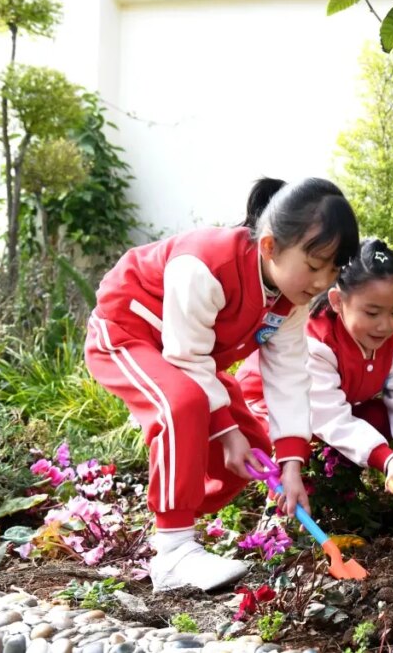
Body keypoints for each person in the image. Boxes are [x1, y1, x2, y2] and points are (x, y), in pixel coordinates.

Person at [84, 177, 359, 591]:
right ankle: (174, 551)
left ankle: (176, 515)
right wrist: (222, 432)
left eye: (333, 270)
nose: (322, 282)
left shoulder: (290, 300)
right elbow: (185, 358)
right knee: (184, 405)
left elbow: (287, 378)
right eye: (315, 265)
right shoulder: (207, 265)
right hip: (128, 332)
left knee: (251, 447)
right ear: (270, 247)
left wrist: (291, 467)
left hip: (190, 362)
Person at [237, 238, 393, 497]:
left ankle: (338, 490)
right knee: (294, 445)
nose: (384, 325)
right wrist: (387, 458)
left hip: (321, 411)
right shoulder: (315, 340)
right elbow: (325, 416)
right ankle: (279, 512)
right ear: (337, 301)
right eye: (372, 313)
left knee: (377, 417)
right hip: (269, 406)